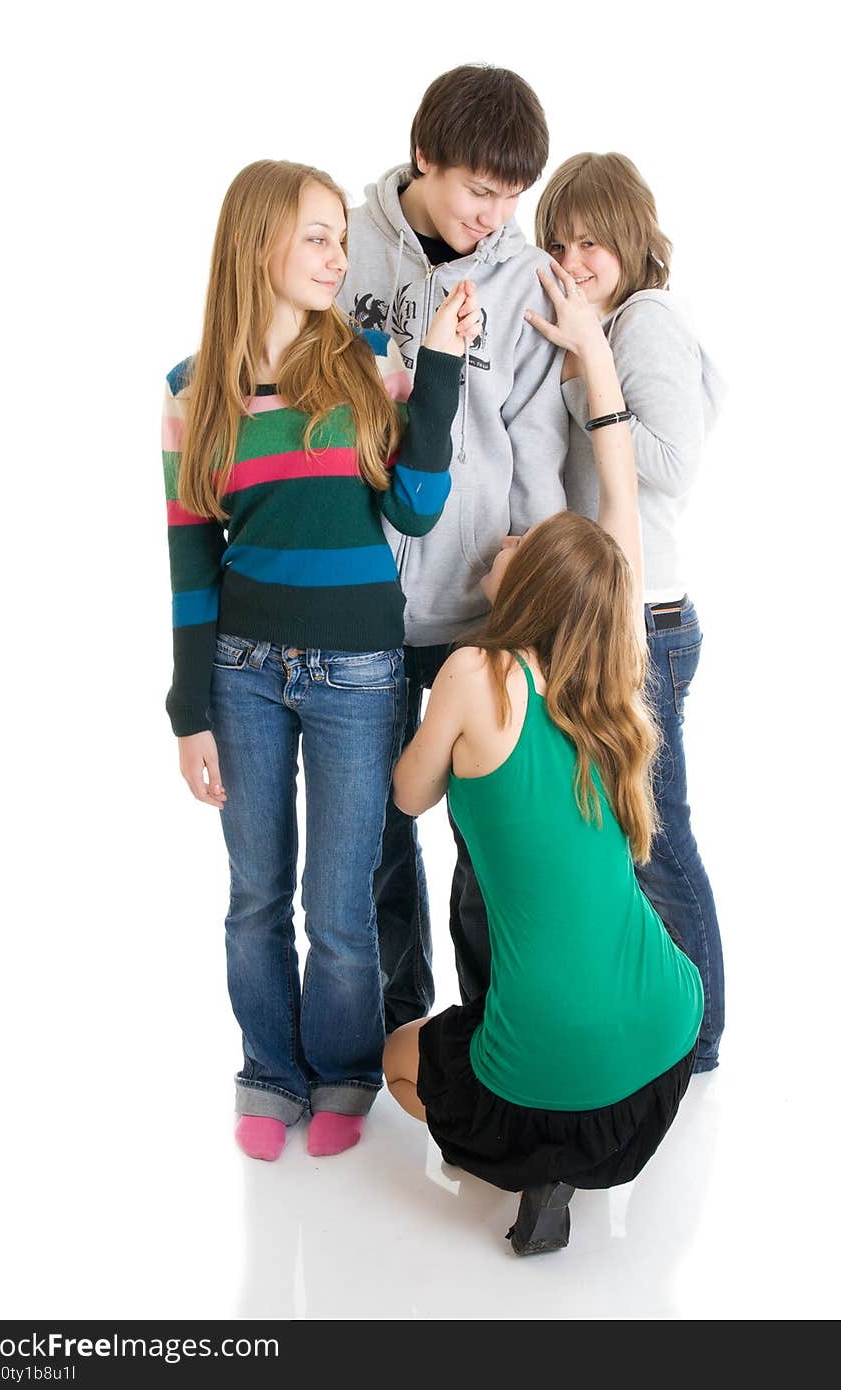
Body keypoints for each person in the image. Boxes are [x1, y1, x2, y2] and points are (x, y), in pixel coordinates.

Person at [382, 255, 703, 1255]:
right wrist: (591, 352)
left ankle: (530, 1163)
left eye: (533, 539)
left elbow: (406, 793)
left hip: (545, 1094)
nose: (522, 531)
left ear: (529, 592)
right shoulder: (613, 663)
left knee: (400, 1056)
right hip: (663, 1060)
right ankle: (563, 1149)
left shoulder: (477, 674)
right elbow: (615, 486)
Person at [161, 160, 479, 1162]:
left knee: (339, 900)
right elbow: (188, 561)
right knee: (256, 890)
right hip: (243, 674)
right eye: (315, 236)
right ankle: (269, 1067)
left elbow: (416, 508)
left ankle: (344, 1067)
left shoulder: (369, 363)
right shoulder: (190, 392)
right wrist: (188, 708)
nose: (338, 256)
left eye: (342, 237)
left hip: (357, 674)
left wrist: (435, 367)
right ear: (257, 243)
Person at [337, 64, 568, 1032]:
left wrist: (538, 581)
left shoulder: (518, 276)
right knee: (378, 827)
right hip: (359, 598)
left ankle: (491, 1024)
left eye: (511, 196)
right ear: (423, 156)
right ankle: (399, 1019)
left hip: (479, 600)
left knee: (491, 830)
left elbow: (535, 436)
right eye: (480, 189)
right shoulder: (348, 244)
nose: (494, 214)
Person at [534, 152, 725, 1072]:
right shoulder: (601, 324)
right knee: (626, 836)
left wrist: (585, 373)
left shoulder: (643, 321)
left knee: (659, 835)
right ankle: (666, 1027)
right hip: (603, 618)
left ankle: (703, 1037)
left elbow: (671, 461)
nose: (574, 260)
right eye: (560, 244)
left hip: (647, 621)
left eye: (593, 242)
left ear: (631, 241)